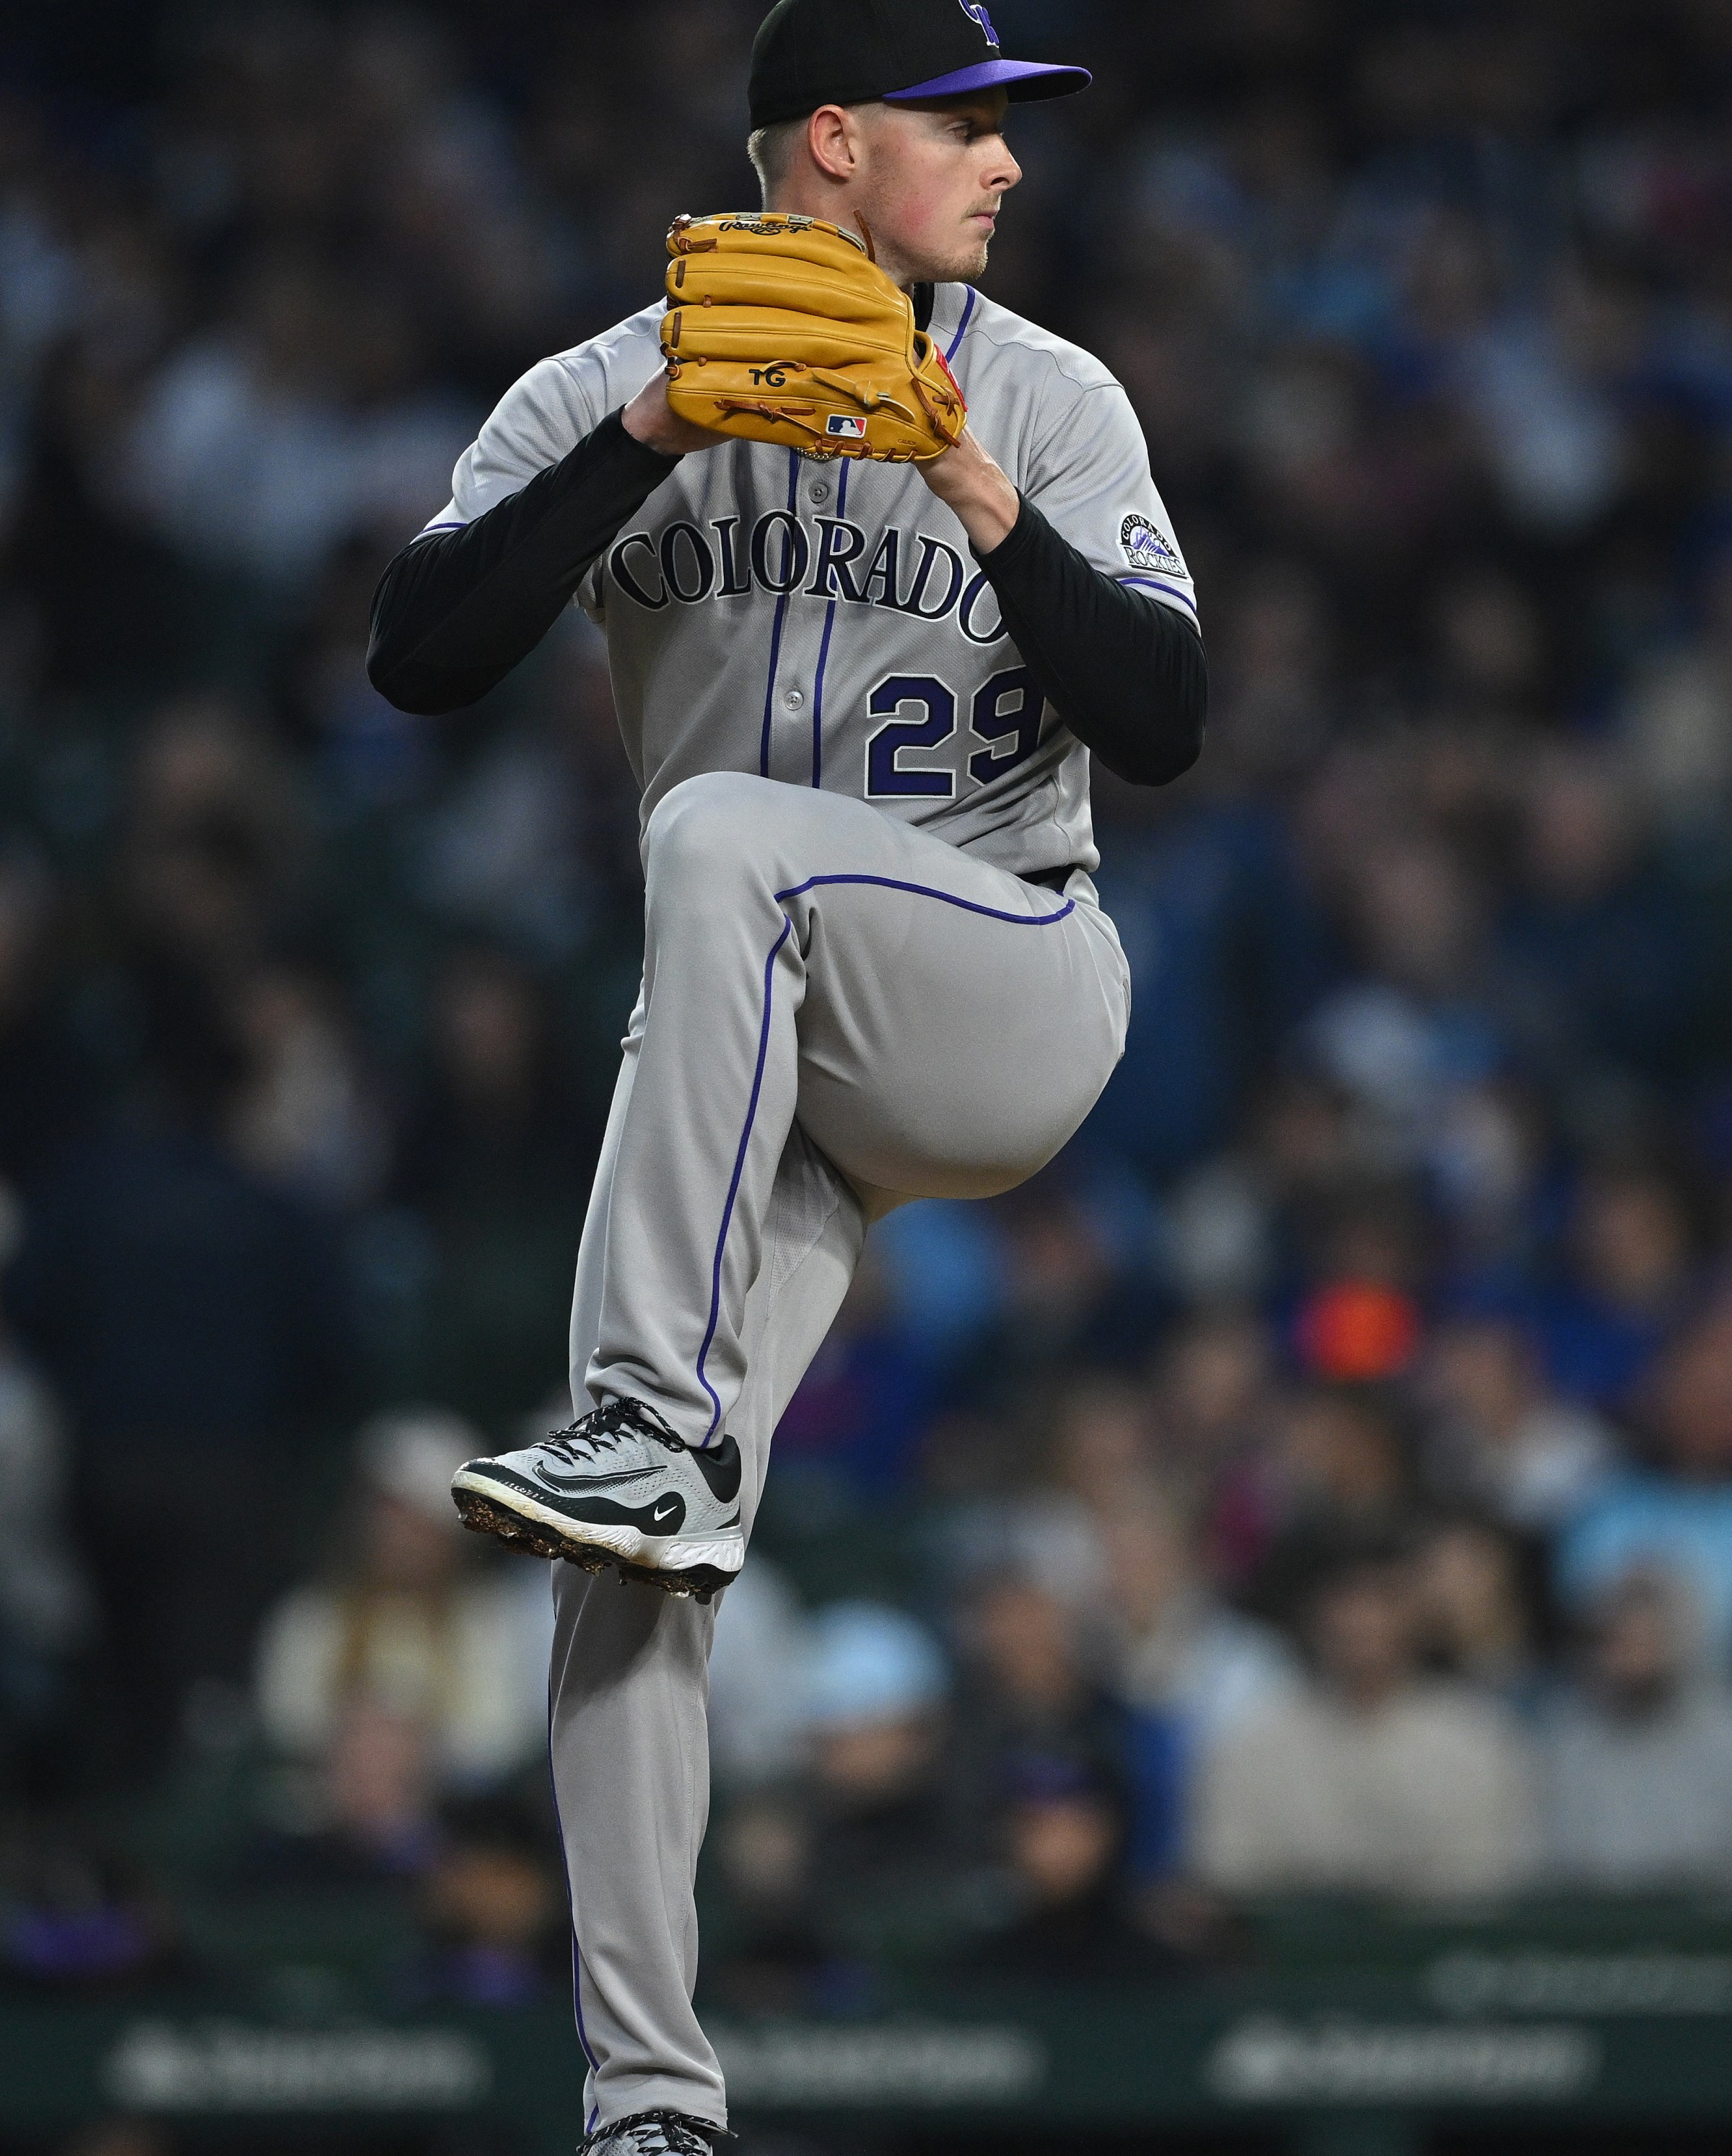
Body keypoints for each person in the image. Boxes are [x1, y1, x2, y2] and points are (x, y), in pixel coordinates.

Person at [367, 1, 1204, 2148]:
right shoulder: (607, 380)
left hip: (1002, 976)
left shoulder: (1048, 392)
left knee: (719, 833)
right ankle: (649, 2102)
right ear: (832, 143)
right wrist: (649, 431)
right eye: (966, 126)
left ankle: (645, 1425)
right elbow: (422, 649)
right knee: (620, 1572)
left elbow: (1163, 709)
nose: (1007, 162)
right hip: (755, 1063)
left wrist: (960, 474)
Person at [1193, 1541, 1538, 1899]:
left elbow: (1496, 1880)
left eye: (1381, 1601)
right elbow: (1229, 1876)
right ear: (1314, 1616)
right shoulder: (1254, 1744)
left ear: (1416, 1615)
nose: (1362, 1620)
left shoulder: (1478, 1739)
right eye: (1344, 1601)